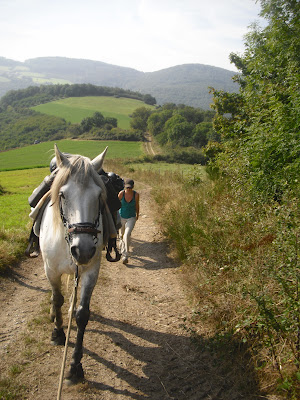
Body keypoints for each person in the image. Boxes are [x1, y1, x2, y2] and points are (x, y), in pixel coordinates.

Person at [118, 179, 140, 264]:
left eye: (130, 188)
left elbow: (137, 205)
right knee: (121, 235)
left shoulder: (136, 195)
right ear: (124, 186)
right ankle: (122, 248)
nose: (128, 189)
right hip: (121, 217)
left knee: (126, 235)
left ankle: (125, 255)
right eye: (127, 188)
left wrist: (137, 215)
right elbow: (116, 204)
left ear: (133, 187)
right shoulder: (121, 194)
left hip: (131, 217)